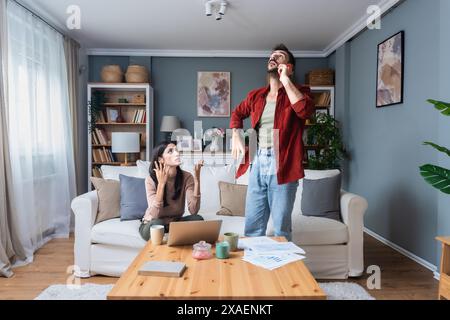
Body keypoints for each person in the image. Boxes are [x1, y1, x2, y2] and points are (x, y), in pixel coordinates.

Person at [230, 44, 315, 241]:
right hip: (258, 160)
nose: (273, 58)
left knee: (281, 229)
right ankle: (253, 269)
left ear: (289, 67)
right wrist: (236, 133)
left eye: (280, 56)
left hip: (284, 162)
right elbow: (237, 113)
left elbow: (304, 111)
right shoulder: (256, 96)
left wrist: (285, 80)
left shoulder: (301, 91)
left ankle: (283, 270)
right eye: (271, 56)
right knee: (253, 225)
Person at [139, 141, 204, 241]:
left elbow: (193, 211)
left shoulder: (187, 177)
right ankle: (173, 236)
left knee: (198, 219)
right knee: (158, 224)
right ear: (161, 159)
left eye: (177, 150)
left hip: (174, 224)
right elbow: (155, 215)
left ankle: (170, 235)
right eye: (170, 151)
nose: (177, 153)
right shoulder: (151, 180)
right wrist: (161, 185)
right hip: (153, 223)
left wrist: (197, 180)